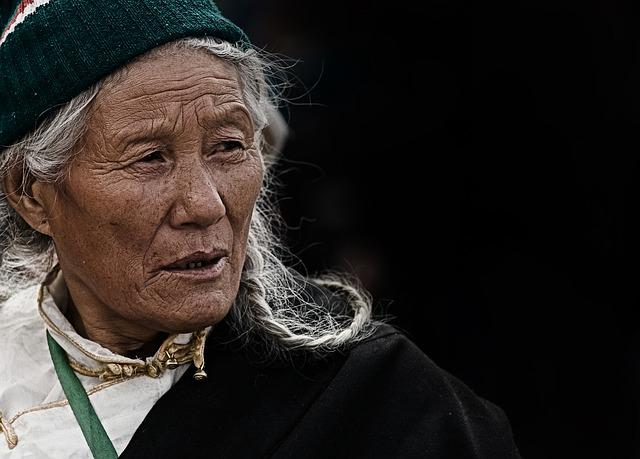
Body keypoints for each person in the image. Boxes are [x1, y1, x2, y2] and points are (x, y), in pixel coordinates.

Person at [0, 1, 522, 457]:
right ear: (29, 192)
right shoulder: (9, 367)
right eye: (151, 158)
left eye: (229, 146)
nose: (205, 205)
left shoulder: (380, 403)